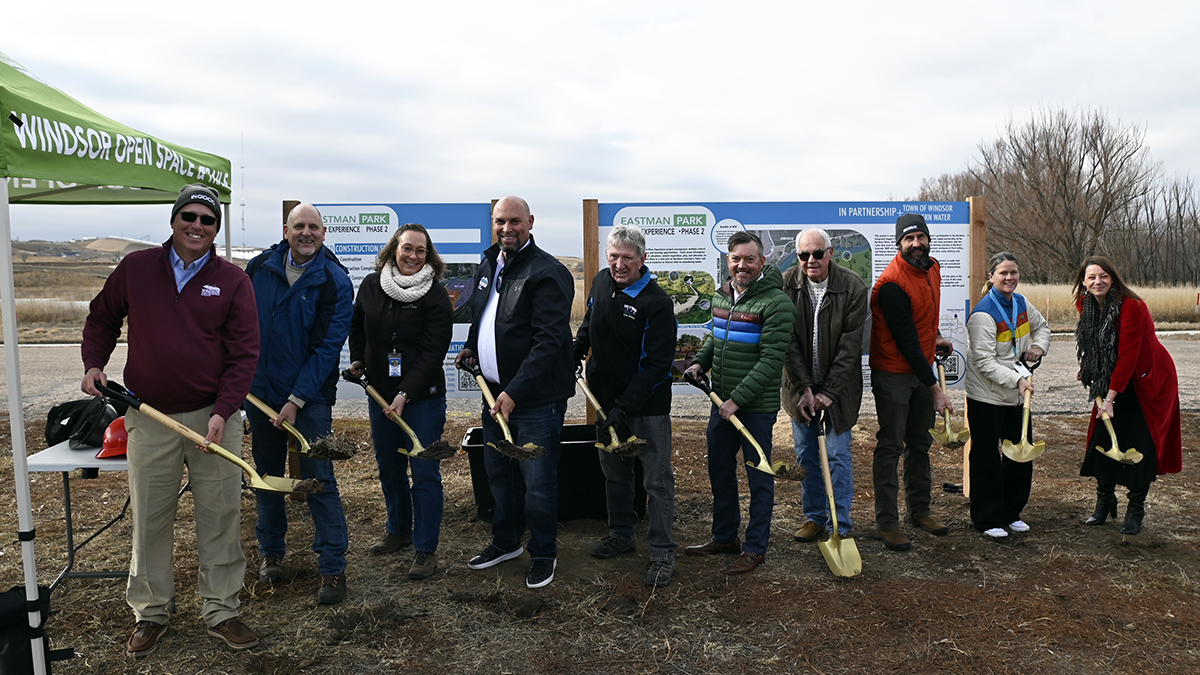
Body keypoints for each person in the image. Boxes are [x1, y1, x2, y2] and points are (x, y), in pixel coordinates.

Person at [81, 184, 260, 657]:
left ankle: (222, 609)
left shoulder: (234, 281)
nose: (197, 226)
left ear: (216, 229)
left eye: (207, 219)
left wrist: (224, 411)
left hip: (213, 419)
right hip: (149, 415)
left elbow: (244, 354)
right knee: (150, 518)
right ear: (174, 219)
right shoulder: (137, 269)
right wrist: (93, 363)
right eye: (190, 216)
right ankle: (151, 612)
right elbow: (101, 319)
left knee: (220, 515)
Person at [455, 196, 575, 589]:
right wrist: (472, 346)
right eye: (500, 221)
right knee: (498, 473)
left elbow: (549, 341)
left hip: (534, 399)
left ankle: (543, 554)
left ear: (531, 222)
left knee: (537, 481)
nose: (507, 228)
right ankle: (506, 542)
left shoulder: (549, 273)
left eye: (515, 222)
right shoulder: (491, 263)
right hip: (494, 395)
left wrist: (515, 392)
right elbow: (482, 313)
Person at [245, 203, 352, 603]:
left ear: (324, 233)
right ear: (286, 230)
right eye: (299, 226)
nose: (306, 233)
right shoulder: (259, 269)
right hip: (259, 393)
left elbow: (327, 350)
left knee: (318, 478)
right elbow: (240, 328)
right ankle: (271, 552)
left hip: (310, 399)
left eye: (314, 227)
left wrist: (296, 399)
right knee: (267, 475)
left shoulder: (334, 281)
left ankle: (332, 568)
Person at [684, 231, 796, 574]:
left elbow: (770, 362)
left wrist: (736, 400)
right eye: (736, 259)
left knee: (759, 477)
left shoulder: (776, 303)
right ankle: (724, 535)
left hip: (754, 408)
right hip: (724, 405)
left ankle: (755, 547)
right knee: (719, 470)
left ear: (762, 262)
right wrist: (700, 361)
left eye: (749, 259)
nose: (742, 265)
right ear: (728, 261)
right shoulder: (724, 296)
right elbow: (718, 340)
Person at [574, 225, 678, 587]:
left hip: (645, 406)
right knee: (615, 473)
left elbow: (656, 364)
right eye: (614, 256)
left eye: (628, 258)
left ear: (642, 260)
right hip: (605, 401)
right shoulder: (602, 282)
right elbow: (590, 322)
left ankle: (663, 552)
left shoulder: (657, 302)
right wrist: (576, 350)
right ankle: (621, 535)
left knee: (656, 480)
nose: (619, 264)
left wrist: (626, 404)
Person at [348, 223, 453, 580]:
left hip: (421, 398)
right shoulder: (371, 285)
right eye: (407, 248)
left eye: (420, 251)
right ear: (394, 248)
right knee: (390, 467)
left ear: (429, 256)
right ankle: (399, 530)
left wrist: (405, 394)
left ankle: (426, 549)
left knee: (424, 472)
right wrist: (359, 357)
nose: (412, 256)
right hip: (379, 394)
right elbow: (357, 324)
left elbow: (432, 351)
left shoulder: (436, 295)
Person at [1074, 255, 1182, 534]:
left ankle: (1136, 508)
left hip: (1147, 381)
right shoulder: (1085, 305)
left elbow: (1127, 357)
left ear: (1113, 279)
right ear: (1083, 282)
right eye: (1091, 277)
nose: (1098, 282)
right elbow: (1093, 345)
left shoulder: (1132, 306)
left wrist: (1109, 399)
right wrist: (1088, 371)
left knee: (1138, 443)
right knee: (1102, 439)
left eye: (1104, 276)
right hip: (1112, 379)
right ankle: (1104, 500)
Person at [869, 213, 954, 552]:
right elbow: (904, 339)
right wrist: (935, 388)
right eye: (909, 239)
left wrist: (935, 338)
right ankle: (887, 522)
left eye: (921, 237)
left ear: (928, 239)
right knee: (891, 445)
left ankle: (919, 511)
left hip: (920, 366)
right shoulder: (891, 285)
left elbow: (924, 317)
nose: (916, 244)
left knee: (919, 442)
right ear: (898, 244)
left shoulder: (931, 267)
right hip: (894, 373)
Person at [782, 228, 867, 544]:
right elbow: (786, 341)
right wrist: (804, 388)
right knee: (806, 455)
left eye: (818, 253)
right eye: (804, 255)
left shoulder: (853, 288)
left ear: (830, 252)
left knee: (836, 456)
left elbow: (850, 348)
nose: (811, 260)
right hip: (798, 387)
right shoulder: (786, 283)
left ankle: (840, 525)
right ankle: (815, 518)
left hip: (839, 390)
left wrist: (828, 393)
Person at [964, 252, 1050, 538]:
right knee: (986, 459)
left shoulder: (1022, 303)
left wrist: (1038, 347)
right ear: (992, 277)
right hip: (987, 398)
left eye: (1013, 272)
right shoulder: (983, 313)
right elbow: (983, 362)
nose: (1009, 277)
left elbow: (1042, 327)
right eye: (1003, 273)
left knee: (1020, 456)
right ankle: (987, 519)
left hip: (1016, 396)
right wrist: (1018, 379)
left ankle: (1011, 512)